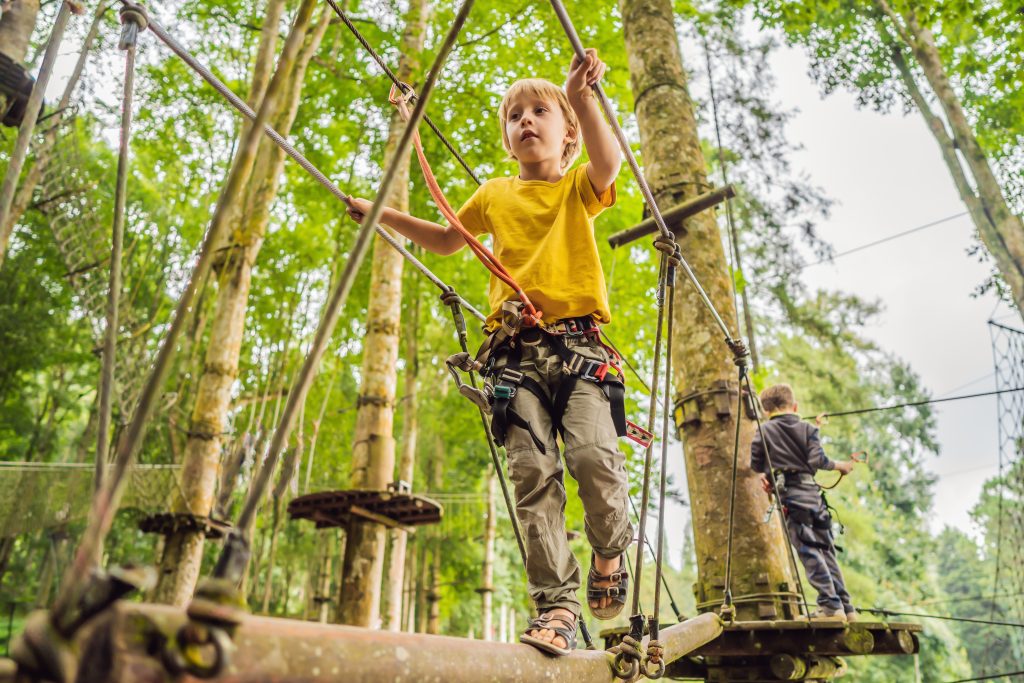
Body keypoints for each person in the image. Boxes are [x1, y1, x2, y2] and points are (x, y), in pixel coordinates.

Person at [346, 49, 630, 655]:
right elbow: (449, 240)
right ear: (507, 137)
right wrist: (382, 215)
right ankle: (556, 606)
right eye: (515, 116)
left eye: (539, 112)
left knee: (593, 459)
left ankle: (609, 552)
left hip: (579, 348)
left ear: (566, 132)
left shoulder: (578, 187)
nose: (525, 121)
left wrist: (582, 94)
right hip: (512, 355)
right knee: (533, 478)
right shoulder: (495, 193)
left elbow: (610, 163)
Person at [750, 383, 859, 622]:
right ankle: (847, 608)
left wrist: (767, 475)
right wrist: (841, 465)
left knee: (809, 549)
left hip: (791, 497)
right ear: (795, 406)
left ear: (765, 410)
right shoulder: (808, 429)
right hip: (814, 496)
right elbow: (816, 459)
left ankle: (830, 607)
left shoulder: (764, 430)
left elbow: (757, 463)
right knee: (826, 550)